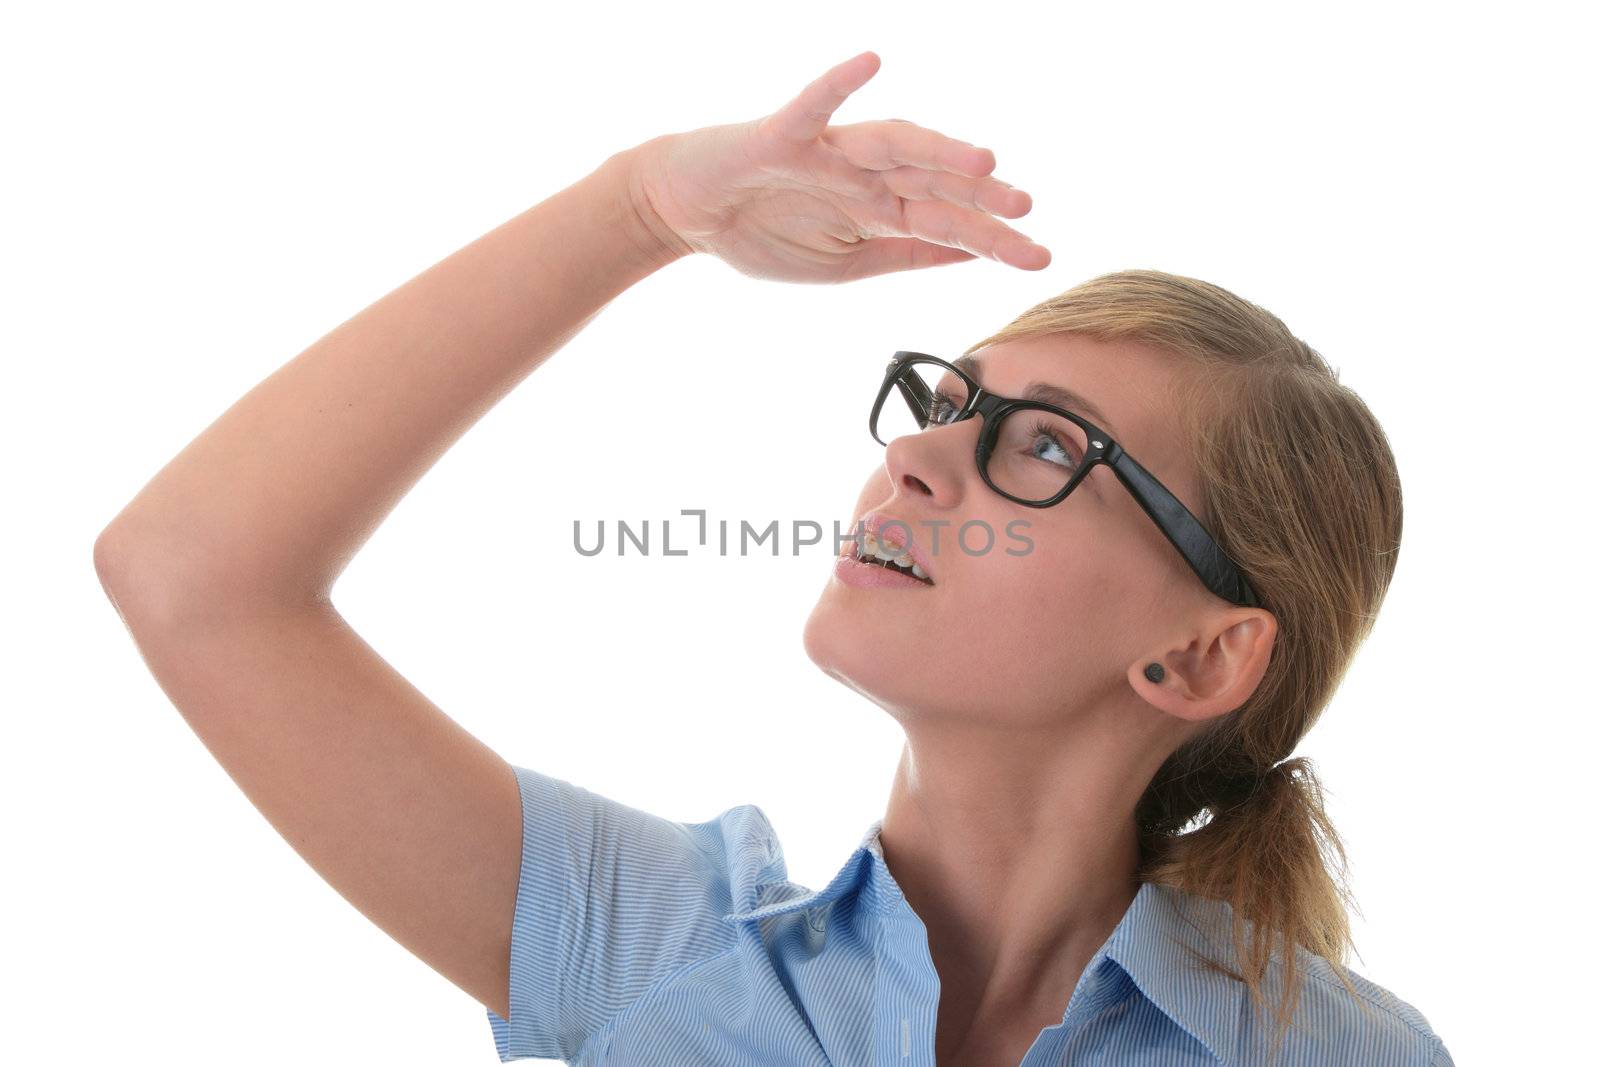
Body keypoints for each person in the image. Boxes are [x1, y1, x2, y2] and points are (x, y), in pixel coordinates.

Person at [94, 50, 1451, 1066]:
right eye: (942, 403)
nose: (918, 462)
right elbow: (189, 574)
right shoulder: (661, 947)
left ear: (1204, 654)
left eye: (1044, 448)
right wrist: (639, 213)